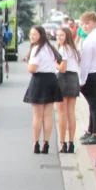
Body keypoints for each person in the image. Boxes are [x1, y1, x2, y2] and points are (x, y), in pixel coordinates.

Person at [24, 25, 63, 154]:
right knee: (48, 115)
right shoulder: (50, 48)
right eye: (30, 34)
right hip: (52, 80)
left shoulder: (36, 49)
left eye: (34, 34)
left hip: (39, 80)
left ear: (41, 35)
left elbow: (32, 69)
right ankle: (46, 144)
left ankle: (36, 143)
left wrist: (28, 65)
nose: (31, 36)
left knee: (37, 115)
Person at [80, 11, 96, 149]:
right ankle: (91, 130)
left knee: (94, 105)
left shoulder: (89, 40)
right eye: (83, 24)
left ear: (94, 22)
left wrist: (81, 80)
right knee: (94, 104)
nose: (85, 26)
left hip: (93, 74)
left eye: (87, 23)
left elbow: (85, 63)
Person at [55, 25, 81, 153]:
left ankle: (62, 143)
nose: (59, 37)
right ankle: (71, 143)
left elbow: (62, 68)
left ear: (67, 36)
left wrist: (54, 62)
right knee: (71, 112)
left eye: (62, 35)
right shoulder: (73, 48)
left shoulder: (63, 48)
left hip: (64, 78)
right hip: (74, 78)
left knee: (62, 113)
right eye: (58, 35)